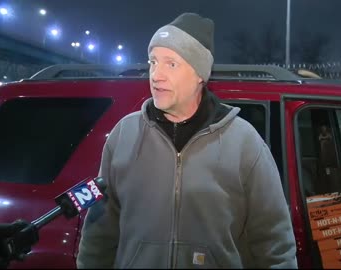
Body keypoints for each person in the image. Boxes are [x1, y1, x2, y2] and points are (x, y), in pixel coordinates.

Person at [76, 12, 297, 269]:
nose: (156, 75)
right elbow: (99, 234)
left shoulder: (244, 142)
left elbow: (275, 245)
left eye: (171, 64)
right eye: (153, 61)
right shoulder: (124, 134)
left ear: (200, 75)